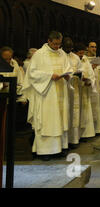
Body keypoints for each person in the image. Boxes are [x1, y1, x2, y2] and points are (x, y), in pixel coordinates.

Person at [23, 31, 72, 160]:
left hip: (61, 91)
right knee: (47, 121)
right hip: (46, 94)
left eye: (59, 44)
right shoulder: (40, 54)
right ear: (49, 41)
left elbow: (68, 68)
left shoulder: (62, 54)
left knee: (60, 120)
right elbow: (32, 73)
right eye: (55, 44)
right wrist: (50, 76)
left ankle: (60, 148)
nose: (57, 47)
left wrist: (67, 75)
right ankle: (45, 151)